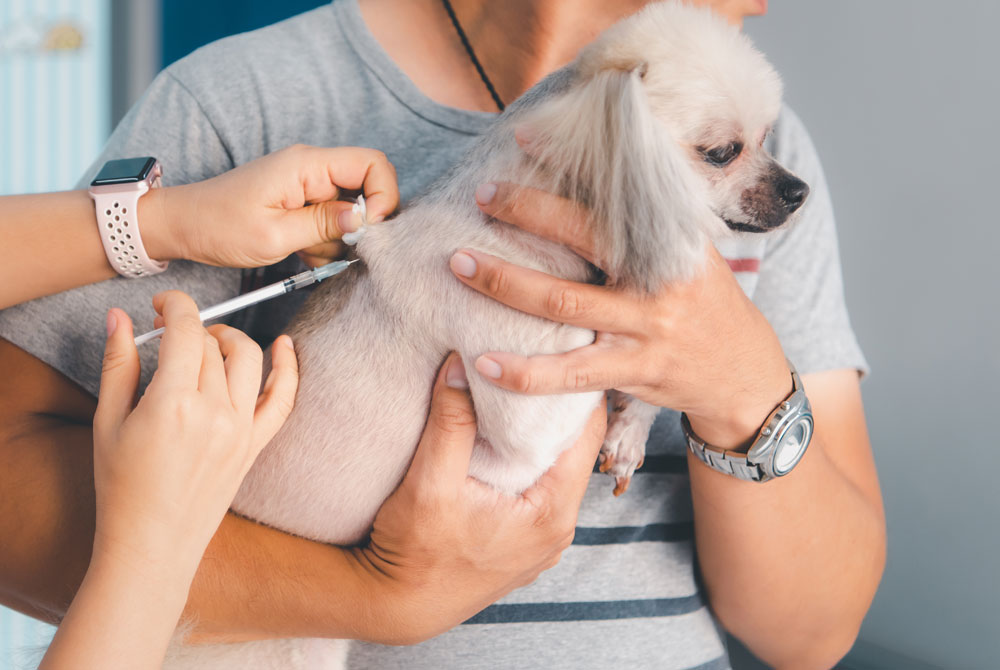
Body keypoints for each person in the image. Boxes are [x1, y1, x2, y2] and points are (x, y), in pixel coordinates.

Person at [0, 1, 886, 668]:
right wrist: (369, 597)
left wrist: (741, 387)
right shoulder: (244, 99)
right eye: (727, 151)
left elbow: (812, 631)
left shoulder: (761, 159)